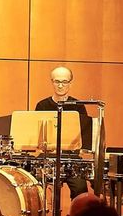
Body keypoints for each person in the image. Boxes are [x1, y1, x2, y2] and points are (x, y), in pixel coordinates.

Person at [34, 65, 92, 199]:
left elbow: (84, 135)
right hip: (48, 156)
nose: (60, 85)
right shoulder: (42, 105)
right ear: (52, 82)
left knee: (81, 190)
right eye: (57, 81)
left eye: (64, 82)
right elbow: (37, 135)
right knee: (33, 183)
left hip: (71, 158)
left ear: (70, 84)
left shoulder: (78, 106)